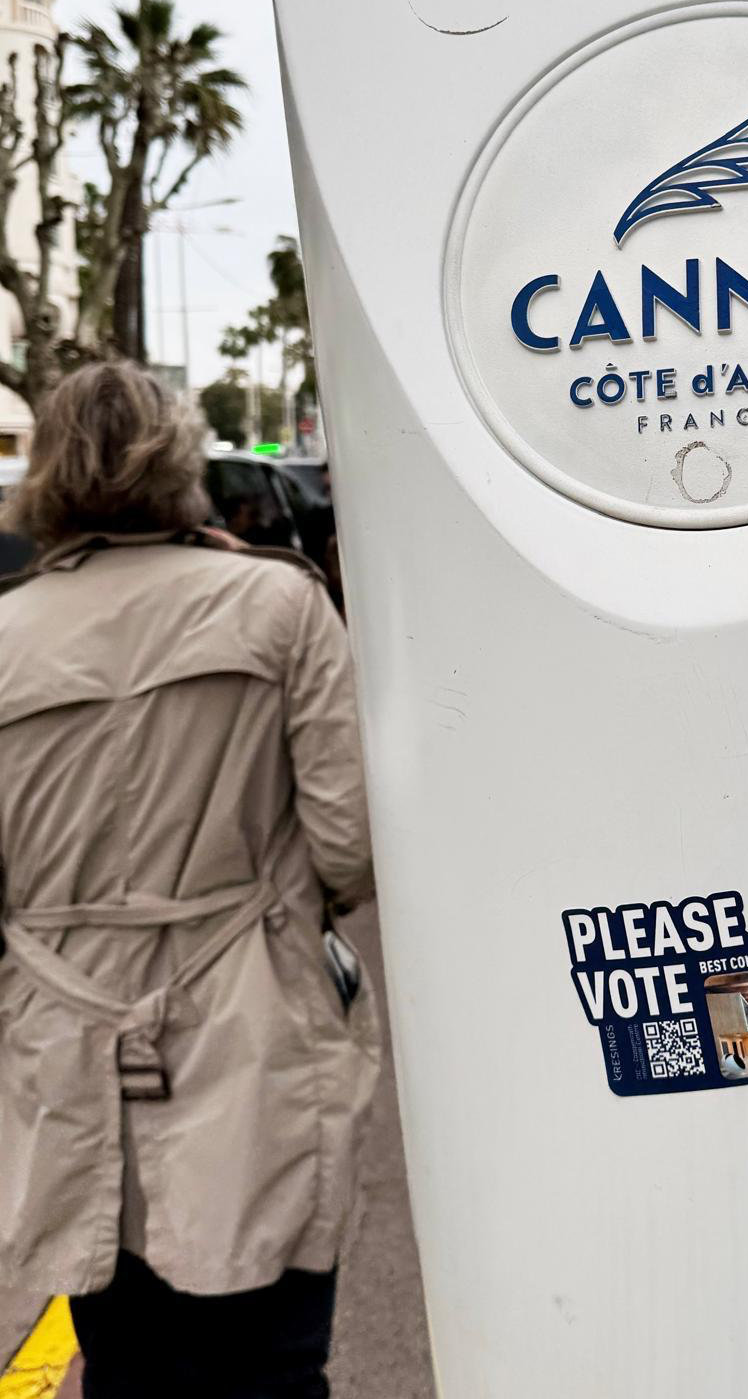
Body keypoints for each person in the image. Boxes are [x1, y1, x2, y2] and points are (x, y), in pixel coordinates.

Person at [0, 363, 381, 1398]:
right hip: (250, 1016)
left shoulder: (7, 635)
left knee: (127, 1363)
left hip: (64, 1039)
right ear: (179, 460)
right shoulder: (278, 604)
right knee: (272, 1364)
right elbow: (348, 848)